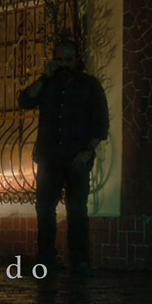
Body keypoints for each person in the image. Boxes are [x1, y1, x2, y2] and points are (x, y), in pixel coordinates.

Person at [18, 36, 109, 276]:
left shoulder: (90, 85)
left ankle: (79, 260)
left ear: (76, 60)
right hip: (49, 157)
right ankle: (46, 258)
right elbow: (25, 101)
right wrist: (44, 77)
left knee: (77, 210)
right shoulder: (48, 84)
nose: (64, 64)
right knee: (45, 209)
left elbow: (101, 123)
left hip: (76, 158)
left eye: (68, 60)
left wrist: (87, 151)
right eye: (60, 59)